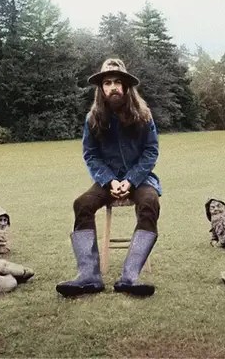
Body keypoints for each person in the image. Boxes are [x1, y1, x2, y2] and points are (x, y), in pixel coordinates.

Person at [56, 58, 160, 298]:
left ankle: (130, 277)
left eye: (117, 82)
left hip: (140, 179)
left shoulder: (144, 115)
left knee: (150, 202)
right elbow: (91, 155)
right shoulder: (92, 118)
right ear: (101, 89)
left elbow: (151, 151)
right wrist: (110, 180)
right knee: (82, 204)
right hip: (107, 180)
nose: (113, 87)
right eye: (107, 83)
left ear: (126, 86)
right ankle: (89, 276)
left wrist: (131, 180)